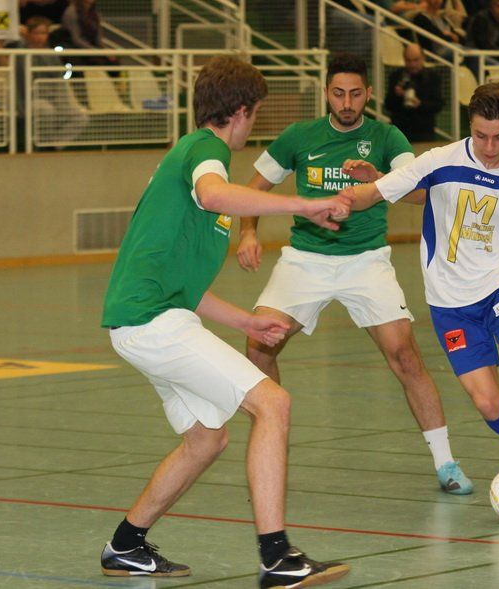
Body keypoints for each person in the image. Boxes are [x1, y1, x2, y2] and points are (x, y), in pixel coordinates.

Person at [99, 55, 351, 588]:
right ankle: (277, 558)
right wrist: (303, 206)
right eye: (255, 114)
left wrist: (245, 323)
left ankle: (125, 544)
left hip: (147, 320)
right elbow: (215, 193)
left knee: (206, 440)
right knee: (273, 404)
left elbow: (184, 285)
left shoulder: (192, 163)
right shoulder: (206, 151)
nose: (252, 125)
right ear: (240, 112)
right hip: (153, 323)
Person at [337, 82, 499, 506]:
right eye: (480, 135)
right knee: (488, 403)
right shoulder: (440, 159)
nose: (489, 148)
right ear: (468, 126)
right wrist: (344, 199)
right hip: (450, 303)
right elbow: (376, 194)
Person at [237, 53, 474, 496]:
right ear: (326, 93)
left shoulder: (386, 136)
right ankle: (270, 442)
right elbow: (252, 191)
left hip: (366, 260)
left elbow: (423, 193)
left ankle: (446, 462)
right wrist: (248, 233)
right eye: (338, 93)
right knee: (258, 343)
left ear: (369, 93)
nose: (346, 103)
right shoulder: (299, 137)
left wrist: (378, 178)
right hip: (305, 260)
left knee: (405, 356)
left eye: (355, 94)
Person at [16, 16, 88, 145]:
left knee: (80, 117)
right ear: (29, 34)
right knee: (47, 110)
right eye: (36, 33)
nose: (40, 37)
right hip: (32, 99)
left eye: (43, 33)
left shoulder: (51, 54)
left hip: (55, 98)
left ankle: (54, 145)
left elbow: (59, 78)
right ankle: (44, 143)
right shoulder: (21, 54)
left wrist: (62, 102)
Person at [383, 43, 444, 142]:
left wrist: (420, 104)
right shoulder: (396, 76)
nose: (412, 64)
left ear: (423, 58)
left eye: (415, 60)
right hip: (400, 132)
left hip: (424, 133)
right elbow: (388, 105)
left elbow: (438, 105)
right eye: (408, 60)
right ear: (404, 59)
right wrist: (397, 95)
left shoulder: (433, 77)